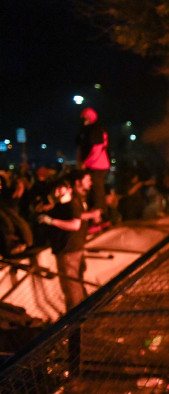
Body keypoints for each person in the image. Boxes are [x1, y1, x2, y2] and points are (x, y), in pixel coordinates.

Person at [37, 171, 96, 310]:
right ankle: (82, 316)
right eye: (56, 188)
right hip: (72, 248)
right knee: (75, 285)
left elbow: (75, 224)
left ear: (69, 189)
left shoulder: (72, 203)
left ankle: (73, 322)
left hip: (68, 250)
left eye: (61, 188)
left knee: (71, 288)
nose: (58, 191)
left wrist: (51, 221)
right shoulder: (68, 203)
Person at [76, 107, 109, 227]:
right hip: (97, 164)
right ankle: (100, 218)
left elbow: (97, 148)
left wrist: (86, 162)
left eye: (84, 118)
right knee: (96, 190)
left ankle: (99, 219)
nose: (83, 120)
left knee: (96, 191)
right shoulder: (95, 129)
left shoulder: (95, 129)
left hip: (97, 165)